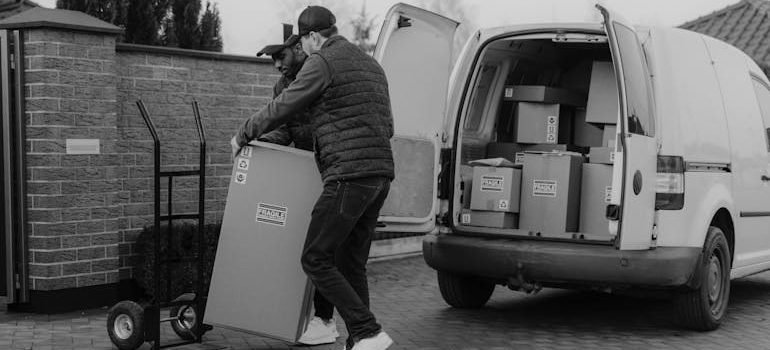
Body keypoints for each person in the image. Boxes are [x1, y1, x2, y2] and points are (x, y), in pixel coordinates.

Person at [231, 6, 394, 350]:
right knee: (351, 263)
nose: (302, 51)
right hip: (380, 174)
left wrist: (244, 133)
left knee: (315, 257)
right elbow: (389, 126)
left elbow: (286, 104)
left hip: (348, 175)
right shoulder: (371, 65)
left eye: (303, 43)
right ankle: (356, 340)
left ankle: (367, 331)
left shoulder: (322, 61)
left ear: (312, 37)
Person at [255, 30, 340, 346]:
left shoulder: (323, 69)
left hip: (332, 167)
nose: (278, 65)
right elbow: (282, 128)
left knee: (326, 249)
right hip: (305, 171)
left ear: (298, 47)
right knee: (310, 246)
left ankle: (326, 319)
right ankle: (313, 317)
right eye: (274, 61)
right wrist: (259, 144)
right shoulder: (282, 84)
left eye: (281, 57)